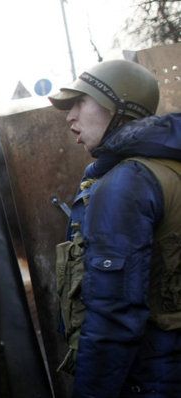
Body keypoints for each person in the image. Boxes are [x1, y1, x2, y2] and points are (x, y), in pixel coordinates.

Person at [48, 59, 181, 396]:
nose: (70, 116)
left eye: (79, 101)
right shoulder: (169, 167)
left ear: (117, 106)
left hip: (154, 377)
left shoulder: (128, 181)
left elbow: (114, 316)